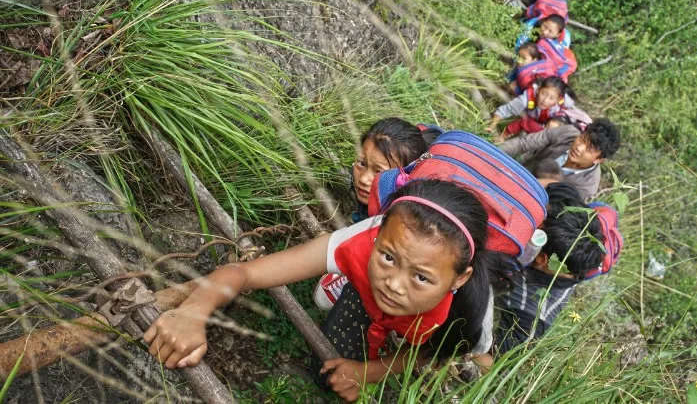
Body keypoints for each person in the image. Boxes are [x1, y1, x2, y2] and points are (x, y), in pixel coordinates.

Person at [143, 179, 513, 402]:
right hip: (366, 293)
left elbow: (439, 353)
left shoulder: (469, 309)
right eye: (386, 256)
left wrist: (372, 371)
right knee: (328, 373)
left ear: (458, 279)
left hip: (432, 331)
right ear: (377, 234)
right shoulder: (358, 242)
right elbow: (244, 273)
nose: (395, 285)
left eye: (421, 278)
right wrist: (194, 309)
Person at [317, 118, 440, 310]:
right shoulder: (390, 196)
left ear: (403, 178)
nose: (364, 179)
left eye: (378, 171)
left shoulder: (411, 220)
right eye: (361, 163)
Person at [494, 182, 604, 353]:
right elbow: (555, 186)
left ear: (541, 258)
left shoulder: (532, 315)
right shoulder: (568, 216)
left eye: (534, 230)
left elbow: (495, 360)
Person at [499, 117, 621, 200]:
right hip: (517, 171)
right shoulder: (567, 133)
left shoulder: (587, 187)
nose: (579, 147)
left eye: (588, 150)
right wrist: (492, 152)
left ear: (598, 160)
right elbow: (523, 143)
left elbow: (556, 207)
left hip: (528, 199)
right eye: (582, 139)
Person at [485, 76, 576, 137]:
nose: (545, 100)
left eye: (552, 98)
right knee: (526, 122)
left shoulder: (565, 101)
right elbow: (505, 110)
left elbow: (571, 108)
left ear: (558, 99)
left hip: (548, 121)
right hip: (534, 119)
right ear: (539, 90)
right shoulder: (525, 99)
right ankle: (503, 136)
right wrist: (492, 125)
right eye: (543, 93)